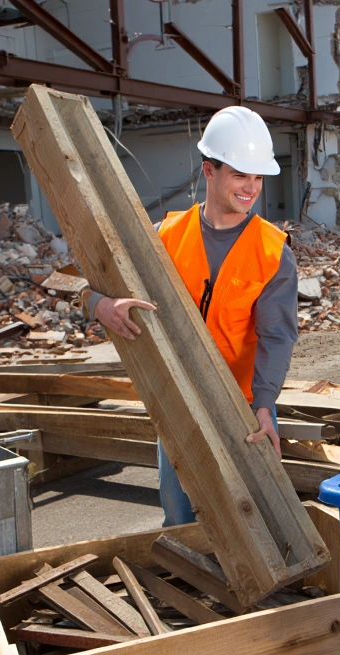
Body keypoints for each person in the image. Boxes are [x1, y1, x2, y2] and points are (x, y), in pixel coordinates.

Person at [83, 105, 298, 526]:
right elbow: (93, 282)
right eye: (240, 174)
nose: (250, 188)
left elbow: (278, 337)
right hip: (177, 398)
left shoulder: (273, 252)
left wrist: (264, 405)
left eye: (257, 177)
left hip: (242, 406)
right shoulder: (164, 235)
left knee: (245, 523)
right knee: (181, 517)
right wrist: (99, 306)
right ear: (209, 171)